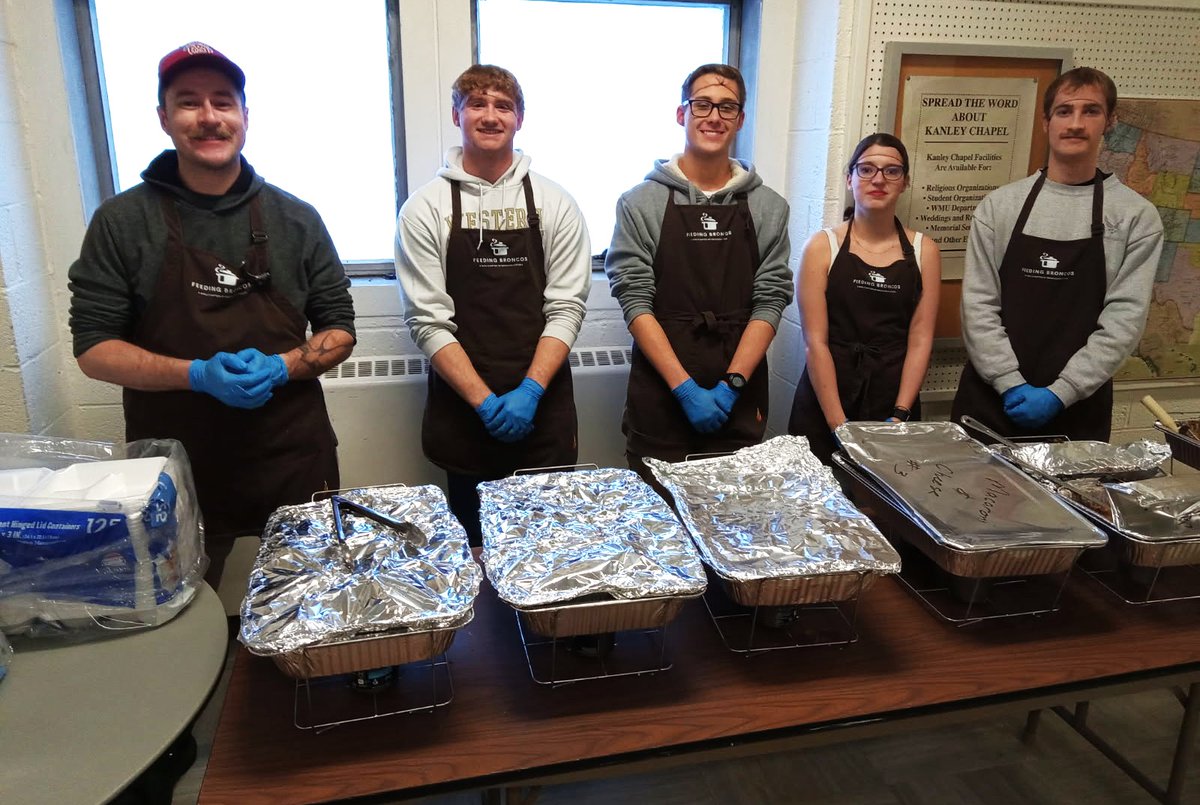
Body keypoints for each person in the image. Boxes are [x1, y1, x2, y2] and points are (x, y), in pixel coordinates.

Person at [68, 42, 355, 586]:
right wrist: (196, 375)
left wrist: (284, 366)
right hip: (178, 459)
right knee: (181, 599)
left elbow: (340, 327)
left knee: (313, 590)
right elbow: (94, 349)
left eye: (223, 102)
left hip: (289, 451)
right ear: (163, 119)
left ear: (245, 117)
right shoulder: (122, 222)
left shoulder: (296, 218)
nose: (208, 118)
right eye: (188, 102)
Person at [395, 64, 590, 545]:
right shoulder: (425, 207)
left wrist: (529, 392)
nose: (490, 115)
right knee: (476, 546)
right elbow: (427, 320)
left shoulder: (555, 203)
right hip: (465, 412)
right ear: (457, 114)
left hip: (541, 407)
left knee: (548, 547)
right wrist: (484, 402)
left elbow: (565, 307)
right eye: (477, 104)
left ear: (519, 118)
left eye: (503, 105)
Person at [952, 67, 1163, 441]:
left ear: (1109, 122)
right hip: (991, 404)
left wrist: (1060, 392)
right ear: (1046, 121)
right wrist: (1009, 383)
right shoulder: (1000, 207)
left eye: (1091, 111)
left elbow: (1124, 321)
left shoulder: (1136, 217)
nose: (1076, 124)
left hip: (1077, 412)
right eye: (1065, 111)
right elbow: (978, 305)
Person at [606, 64, 792, 479]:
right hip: (661, 395)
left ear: (740, 119)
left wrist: (732, 386)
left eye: (727, 107)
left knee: (732, 527)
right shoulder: (640, 203)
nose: (714, 116)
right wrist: (684, 388)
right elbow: (635, 299)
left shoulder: (769, 207)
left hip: (737, 398)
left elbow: (771, 299)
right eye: (702, 104)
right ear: (682, 114)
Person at [788, 133, 942, 463]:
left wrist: (900, 414)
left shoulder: (923, 251)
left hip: (892, 400)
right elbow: (815, 342)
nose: (879, 179)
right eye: (867, 169)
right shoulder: (821, 247)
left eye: (892, 171)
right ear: (850, 178)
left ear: (905, 182)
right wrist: (838, 425)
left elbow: (920, 339)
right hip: (826, 400)